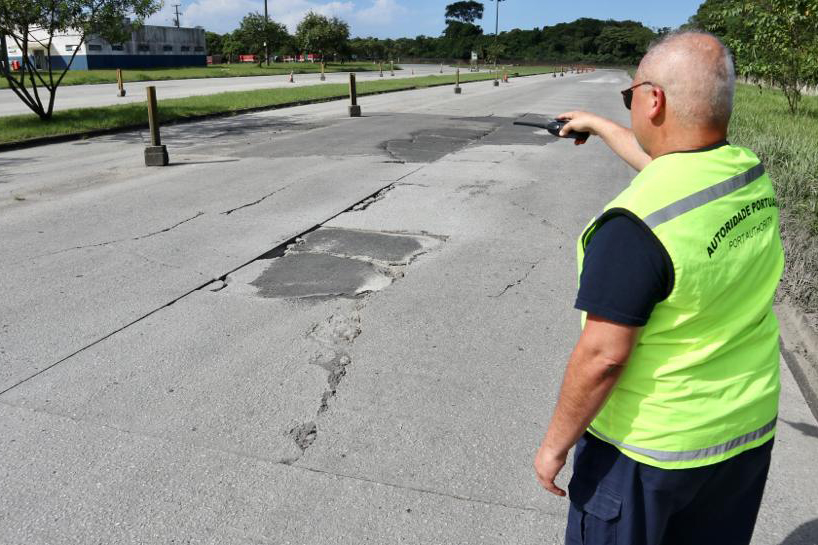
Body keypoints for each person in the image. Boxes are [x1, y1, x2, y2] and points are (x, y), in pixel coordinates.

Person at [533, 31, 784, 545]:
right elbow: (671, 166)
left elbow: (603, 357)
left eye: (630, 97)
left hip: (648, 453)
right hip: (743, 434)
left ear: (655, 100)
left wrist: (556, 445)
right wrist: (602, 126)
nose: (630, 108)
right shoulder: (744, 173)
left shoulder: (633, 227)